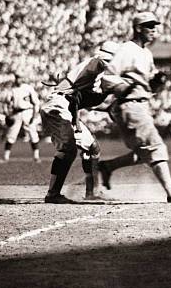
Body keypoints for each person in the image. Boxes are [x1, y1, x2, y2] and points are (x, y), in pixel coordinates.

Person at [99, 12, 171, 204]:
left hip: (140, 105)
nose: (154, 30)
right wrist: (123, 86)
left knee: (144, 152)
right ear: (138, 28)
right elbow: (108, 77)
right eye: (149, 26)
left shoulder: (147, 53)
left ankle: (107, 167)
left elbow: (149, 82)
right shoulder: (126, 49)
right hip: (130, 104)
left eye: (155, 26)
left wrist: (157, 81)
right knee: (156, 146)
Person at [41, 41, 121, 204]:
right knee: (68, 149)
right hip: (58, 106)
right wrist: (76, 124)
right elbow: (73, 96)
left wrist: (104, 109)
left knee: (92, 148)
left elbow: (82, 99)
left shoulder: (95, 73)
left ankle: (92, 192)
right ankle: (52, 194)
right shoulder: (96, 65)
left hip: (64, 107)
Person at [1, 73, 41, 163]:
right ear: (15, 79)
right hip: (16, 113)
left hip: (28, 112)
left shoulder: (28, 88)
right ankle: (5, 157)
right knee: (11, 135)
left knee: (33, 134)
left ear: (23, 79)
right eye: (17, 78)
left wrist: (34, 115)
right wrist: (7, 113)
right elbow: (6, 102)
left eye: (20, 78)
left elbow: (36, 103)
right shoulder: (12, 89)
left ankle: (36, 156)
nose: (19, 80)